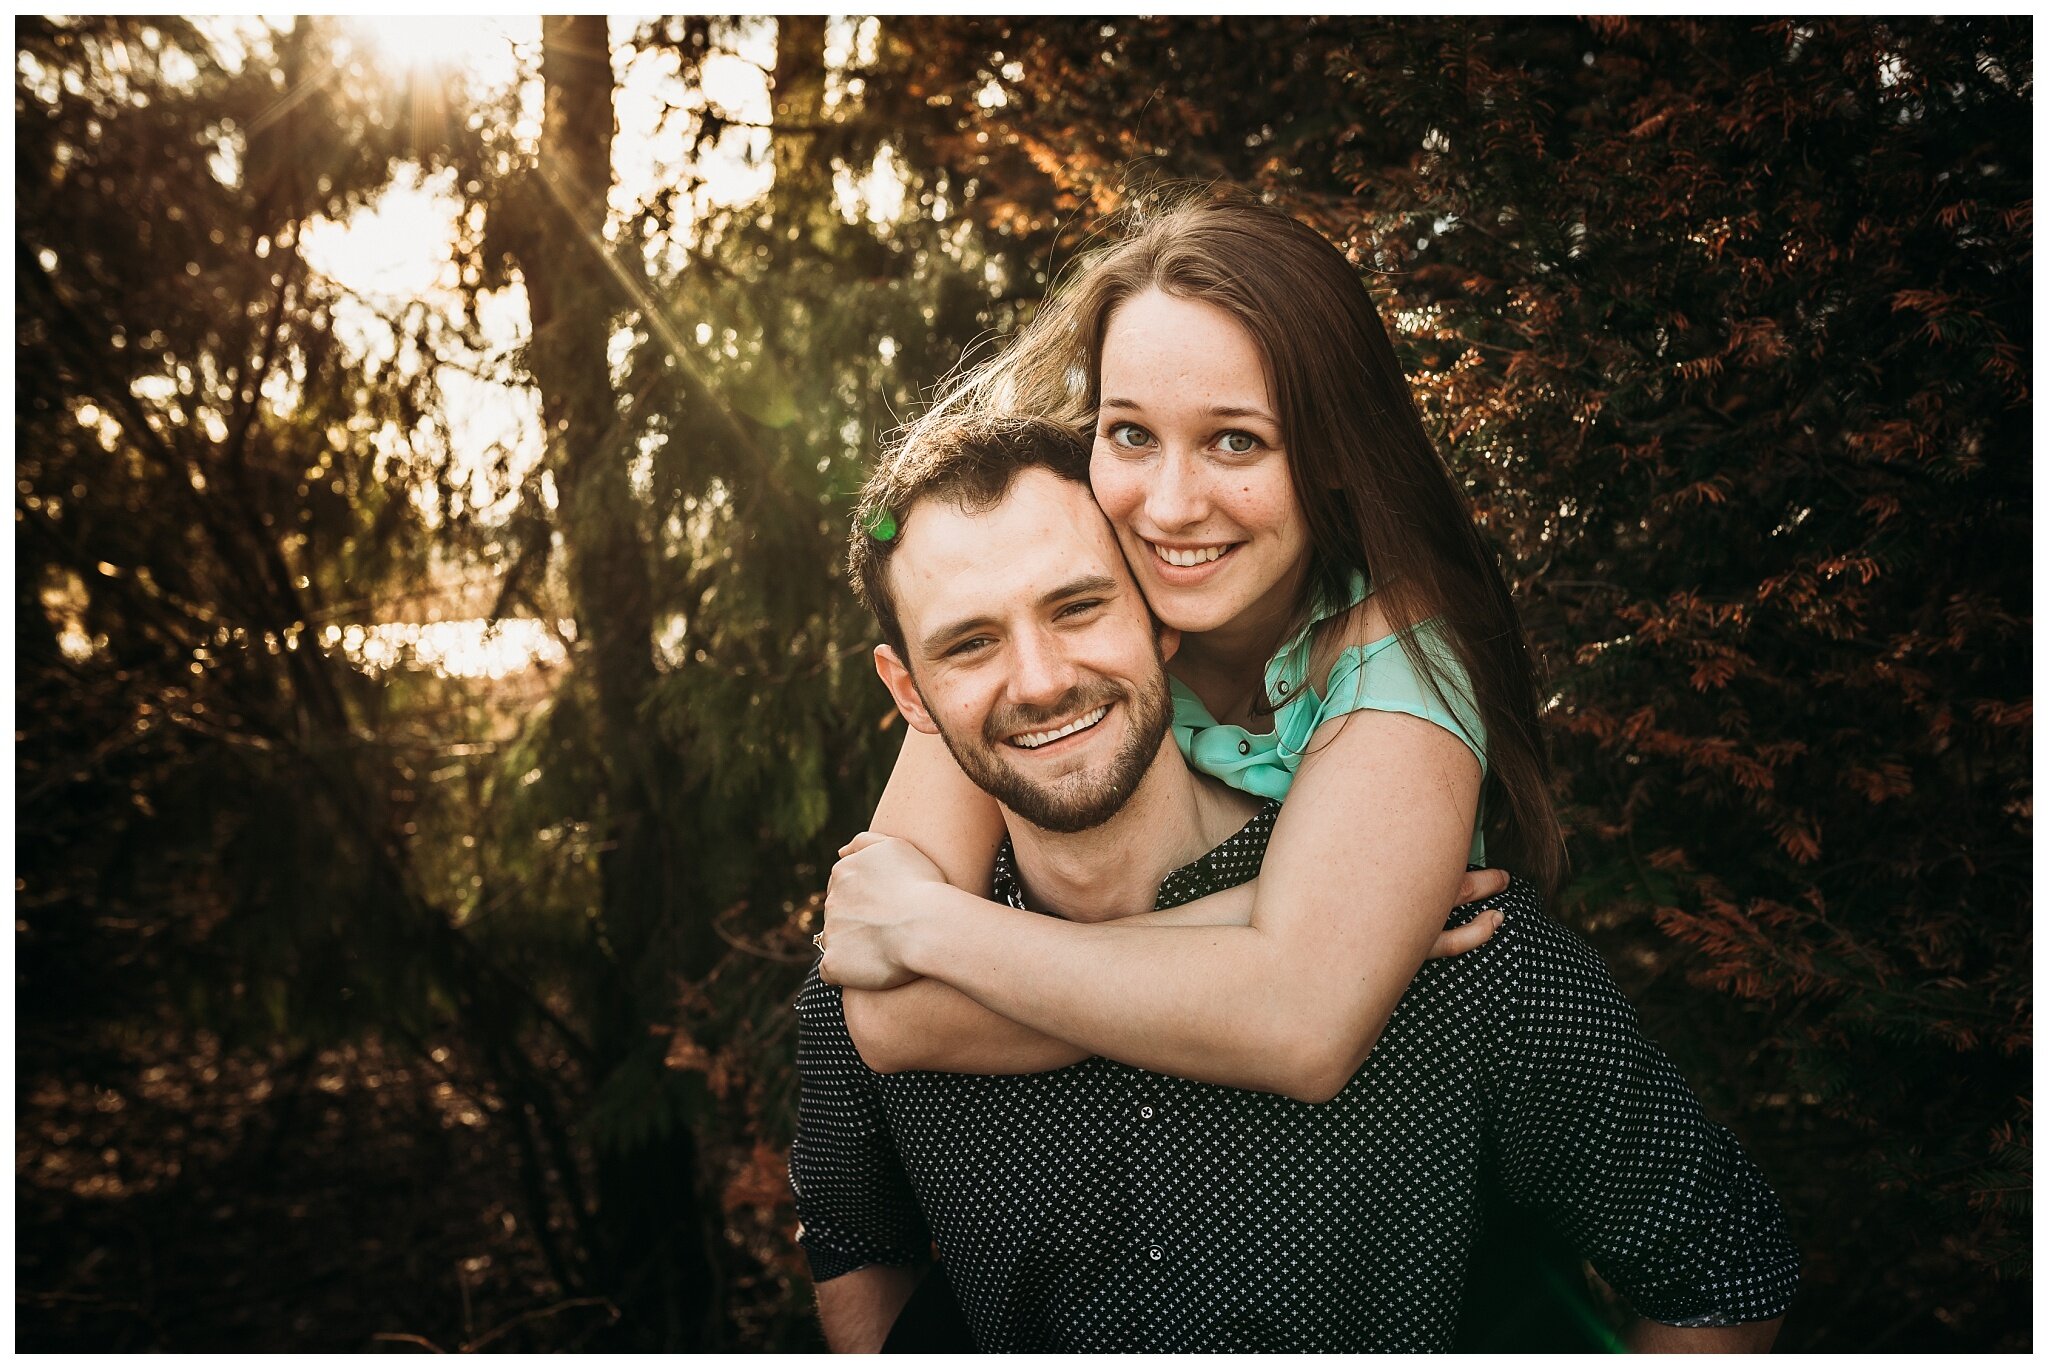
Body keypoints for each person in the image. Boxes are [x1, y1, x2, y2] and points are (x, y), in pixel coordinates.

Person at [791, 418, 1797, 1351]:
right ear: (908, 691)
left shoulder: (1449, 942)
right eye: (969, 642)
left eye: (1078, 605)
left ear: (1161, 619)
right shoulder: (879, 983)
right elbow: (848, 1232)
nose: (1041, 677)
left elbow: (1722, 1264)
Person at [817, 192, 1557, 1100]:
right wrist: (1265, 928)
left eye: (1235, 441)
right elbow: (892, 1016)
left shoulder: (1396, 655)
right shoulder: (1045, 622)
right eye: (1130, 434)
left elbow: (1302, 1024)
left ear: (1331, 452)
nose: (1167, 506)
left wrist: (930, 929)